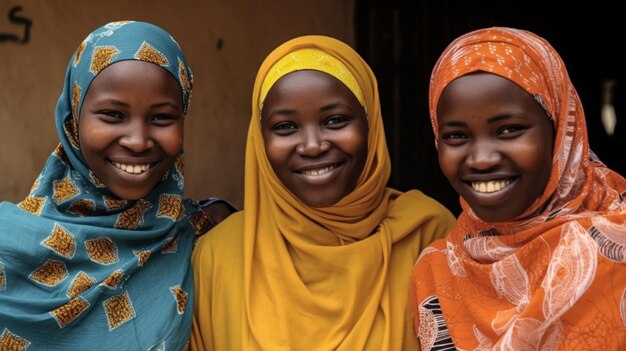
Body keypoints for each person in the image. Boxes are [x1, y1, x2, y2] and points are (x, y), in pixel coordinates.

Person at [190, 35, 456, 350]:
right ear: (260, 141)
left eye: (335, 120)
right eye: (286, 126)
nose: (313, 145)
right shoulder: (217, 257)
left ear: (370, 124)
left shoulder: (428, 236)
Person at [0, 20, 233, 350]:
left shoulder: (204, 235)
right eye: (112, 115)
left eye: (161, 117)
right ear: (73, 120)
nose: (138, 141)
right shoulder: (7, 246)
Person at [410, 27, 626, 350]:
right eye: (456, 136)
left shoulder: (617, 245)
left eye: (509, 130)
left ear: (559, 131)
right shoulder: (435, 271)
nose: (482, 159)